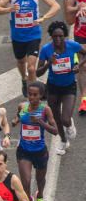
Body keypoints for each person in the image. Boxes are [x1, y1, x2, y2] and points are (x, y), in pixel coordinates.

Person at [0, 0, 60, 96]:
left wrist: (43, 18)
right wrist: (10, 9)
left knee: (31, 67)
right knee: (20, 62)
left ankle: (35, 94)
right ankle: (24, 80)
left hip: (33, 34)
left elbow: (56, 5)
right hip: (17, 36)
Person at [36, 20, 86, 156]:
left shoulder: (72, 46)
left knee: (65, 119)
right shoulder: (46, 50)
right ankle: (63, 141)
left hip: (69, 86)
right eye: (55, 37)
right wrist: (48, 64)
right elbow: (37, 72)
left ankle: (69, 124)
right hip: (53, 87)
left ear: (64, 36)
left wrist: (79, 65)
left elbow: (84, 54)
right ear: (51, 36)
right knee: (56, 117)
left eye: (61, 36)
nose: (58, 39)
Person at [11, 81, 57, 201]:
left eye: (35, 95)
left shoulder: (45, 110)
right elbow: (18, 116)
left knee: (40, 179)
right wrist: (15, 121)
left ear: (41, 95)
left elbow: (55, 131)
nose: (31, 97)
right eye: (30, 94)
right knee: (25, 180)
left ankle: (40, 196)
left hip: (40, 152)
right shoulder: (22, 106)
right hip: (24, 151)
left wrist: (41, 122)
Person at [66, 0, 86, 114]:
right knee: (83, 67)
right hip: (80, 32)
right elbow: (68, 7)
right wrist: (77, 7)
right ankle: (84, 99)